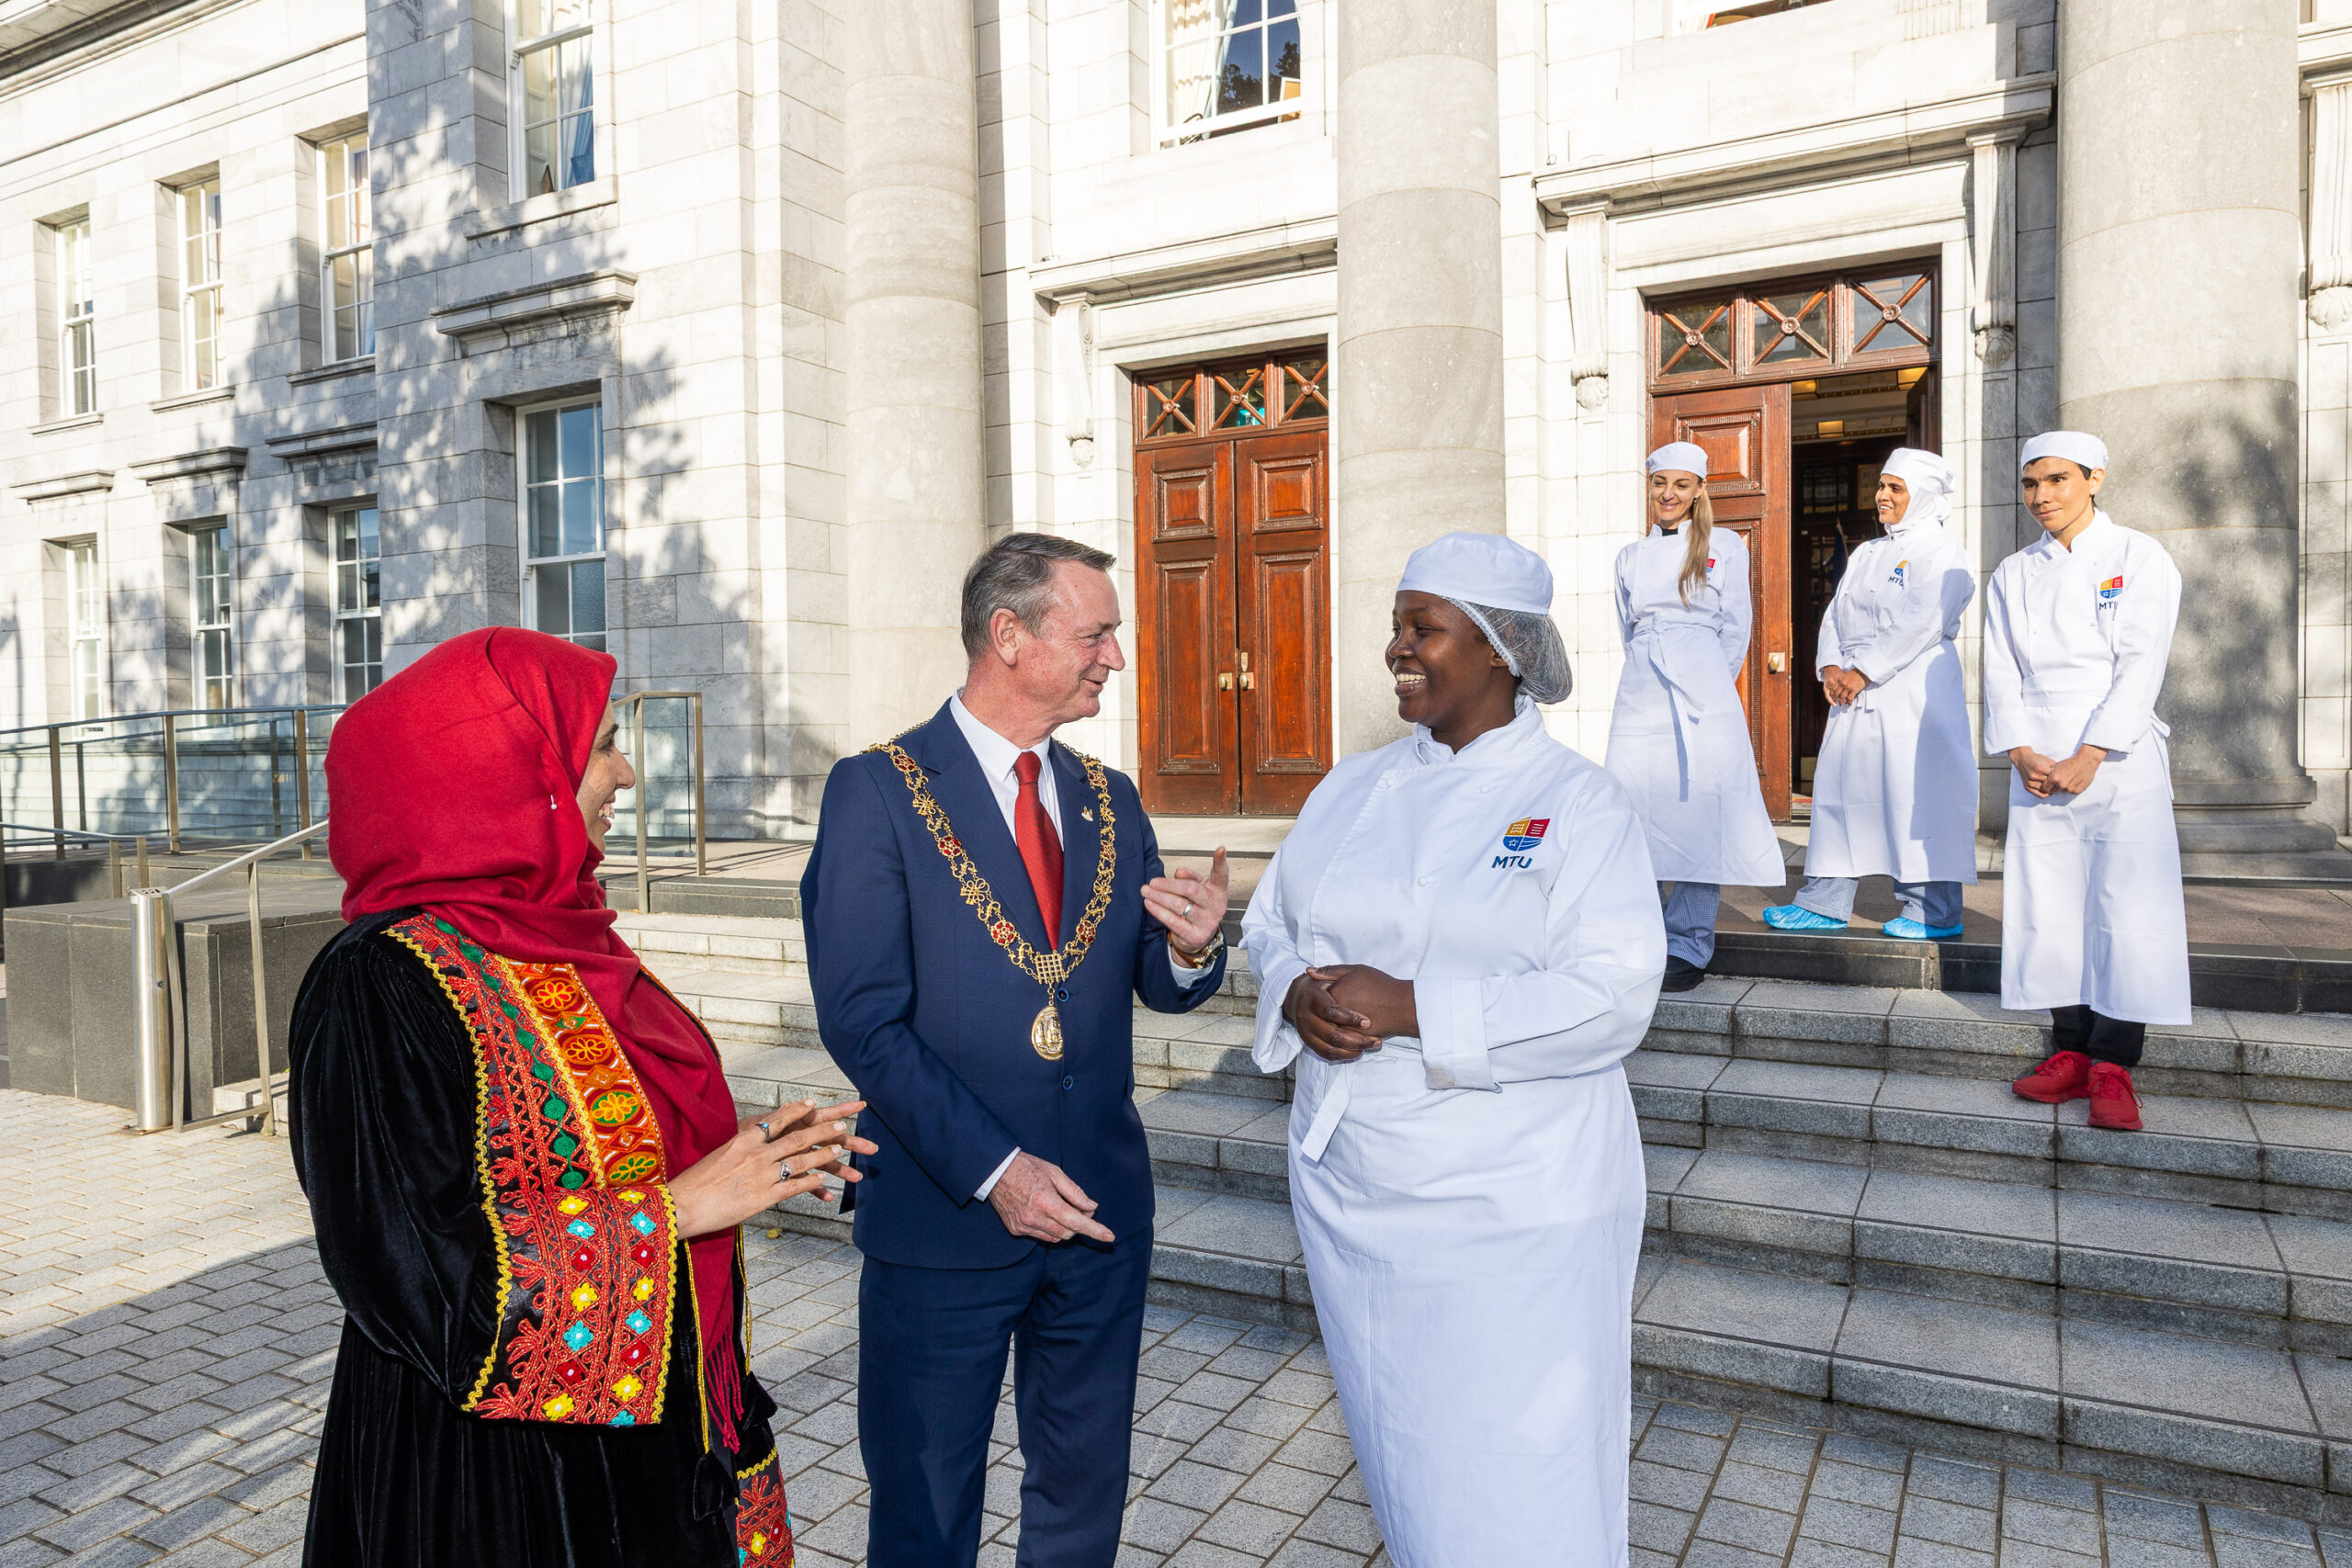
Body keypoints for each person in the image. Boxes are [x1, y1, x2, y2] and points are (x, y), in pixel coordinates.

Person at [289, 626, 873, 1567]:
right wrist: (677, 1209)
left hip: (657, 1438)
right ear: (511, 771)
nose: (625, 773)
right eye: (601, 745)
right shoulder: (382, 980)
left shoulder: (558, 933)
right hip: (501, 1480)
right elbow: (417, 1273)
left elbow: (604, 1147)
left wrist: (748, 1153)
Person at [799, 533, 1233, 1568]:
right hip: (944, 1219)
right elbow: (862, 1020)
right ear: (1008, 636)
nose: (1114, 657)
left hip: (1098, 1212)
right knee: (926, 1510)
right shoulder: (878, 791)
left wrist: (1192, 947)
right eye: (1095, 635)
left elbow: (1151, 978)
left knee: (1083, 1497)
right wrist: (998, 1169)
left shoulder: (1109, 797)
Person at [1242, 531, 1664, 1568]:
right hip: (1356, 1188)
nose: (1396, 647)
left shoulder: (1580, 803)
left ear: (1499, 647)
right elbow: (1270, 920)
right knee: (1407, 1459)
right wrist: (1294, 988)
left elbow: (1612, 996)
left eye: (1421, 628)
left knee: (1520, 1470)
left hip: (1514, 1206)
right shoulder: (1350, 788)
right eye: (1396, 625)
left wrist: (1411, 1005)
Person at [1990, 431, 2189, 1133]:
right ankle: (2070, 1049)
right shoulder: (2013, 571)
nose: (2041, 496)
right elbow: (2001, 669)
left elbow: (2142, 663)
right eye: (2030, 483)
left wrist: (2093, 750)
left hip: (2119, 762)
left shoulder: (2139, 556)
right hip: (2039, 762)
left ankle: (2113, 1063)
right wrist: (2020, 749)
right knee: (2051, 904)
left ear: (2095, 478)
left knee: (2124, 906)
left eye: (2057, 480)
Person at [1764, 447, 1980, 940]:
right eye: (1881, 485)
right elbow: (1835, 614)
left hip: (1914, 691)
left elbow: (1924, 620)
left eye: (1894, 488)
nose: (1882, 495)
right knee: (1841, 794)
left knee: (1919, 795)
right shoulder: (1866, 553)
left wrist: (1862, 671)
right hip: (1853, 694)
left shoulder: (1942, 551)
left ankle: (1933, 911)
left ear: (1921, 496)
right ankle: (1824, 902)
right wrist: (1832, 668)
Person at [1608, 441, 1787, 990]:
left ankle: (1688, 941)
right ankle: (1643, 936)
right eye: (1660, 483)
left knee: (1698, 809)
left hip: (1703, 685)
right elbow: (1627, 627)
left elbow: (1737, 624)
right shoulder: (1629, 556)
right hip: (1642, 686)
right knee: (1635, 805)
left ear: (1699, 490)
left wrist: (1708, 682)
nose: (1668, 494)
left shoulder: (1725, 545)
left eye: (1681, 485)